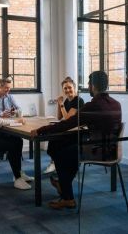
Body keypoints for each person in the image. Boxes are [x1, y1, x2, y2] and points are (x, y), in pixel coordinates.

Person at [31, 71, 122, 209]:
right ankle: (64, 185)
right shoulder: (116, 104)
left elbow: (66, 124)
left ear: (93, 86)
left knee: (59, 151)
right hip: (110, 149)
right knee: (62, 146)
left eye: (88, 84)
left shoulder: (93, 105)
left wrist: (40, 130)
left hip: (97, 151)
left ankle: (67, 197)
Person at [43, 77, 85, 174]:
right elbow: (59, 117)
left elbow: (68, 120)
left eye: (69, 87)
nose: (67, 90)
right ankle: (55, 163)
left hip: (77, 132)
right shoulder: (67, 101)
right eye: (65, 88)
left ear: (74, 88)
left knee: (56, 141)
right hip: (70, 129)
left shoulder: (78, 100)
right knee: (52, 138)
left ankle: (57, 164)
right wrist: (59, 104)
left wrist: (61, 104)